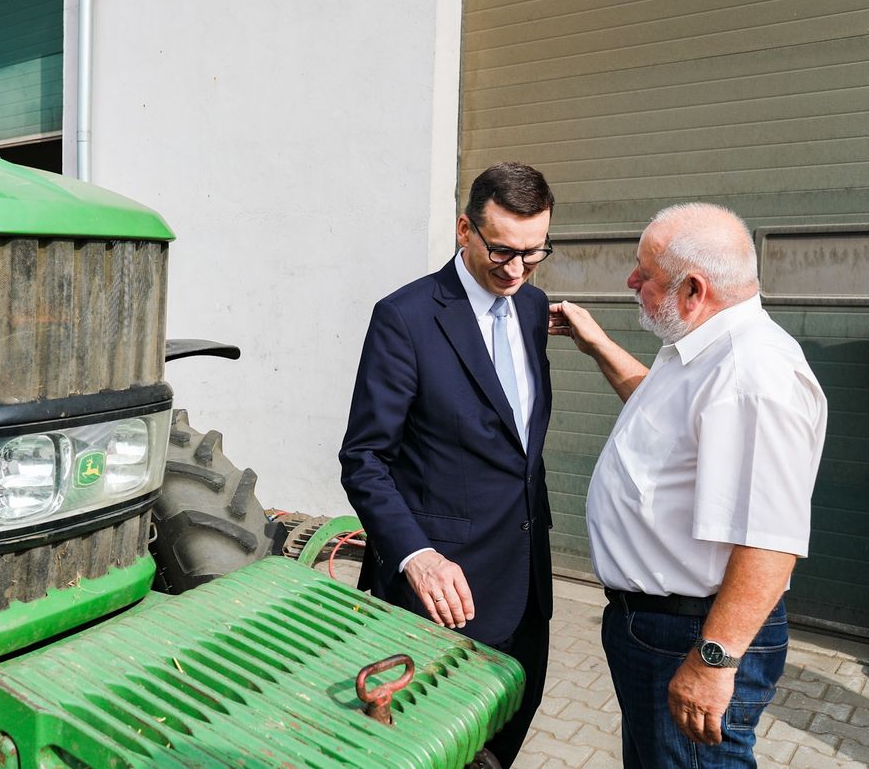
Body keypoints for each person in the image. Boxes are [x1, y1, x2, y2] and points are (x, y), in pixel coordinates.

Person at [548, 203, 827, 767]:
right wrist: (599, 346)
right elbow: (673, 430)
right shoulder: (701, 349)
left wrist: (712, 663)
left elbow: (771, 541)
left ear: (693, 288)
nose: (631, 282)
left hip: (692, 636)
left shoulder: (752, 377)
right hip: (659, 627)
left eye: (643, 273)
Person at [339, 162, 556, 765]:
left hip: (527, 586)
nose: (516, 271)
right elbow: (364, 459)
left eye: (534, 255)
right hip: (441, 598)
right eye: (504, 252)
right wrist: (417, 556)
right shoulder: (404, 318)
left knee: (506, 736)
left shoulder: (534, 310)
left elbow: (514, 447)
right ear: (466, 229)